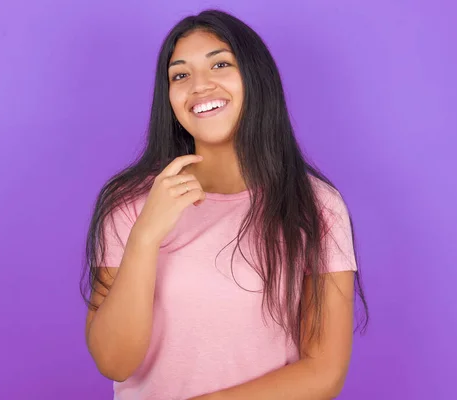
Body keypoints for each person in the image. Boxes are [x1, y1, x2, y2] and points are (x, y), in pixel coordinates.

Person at [81, 9, 368, 400]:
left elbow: (323, 374)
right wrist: (145, 235)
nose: (199, 86)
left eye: (220, 64)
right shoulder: (130, 204)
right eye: (180, 75)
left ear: (256, 79)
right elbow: (114, 362)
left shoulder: (317, 206)